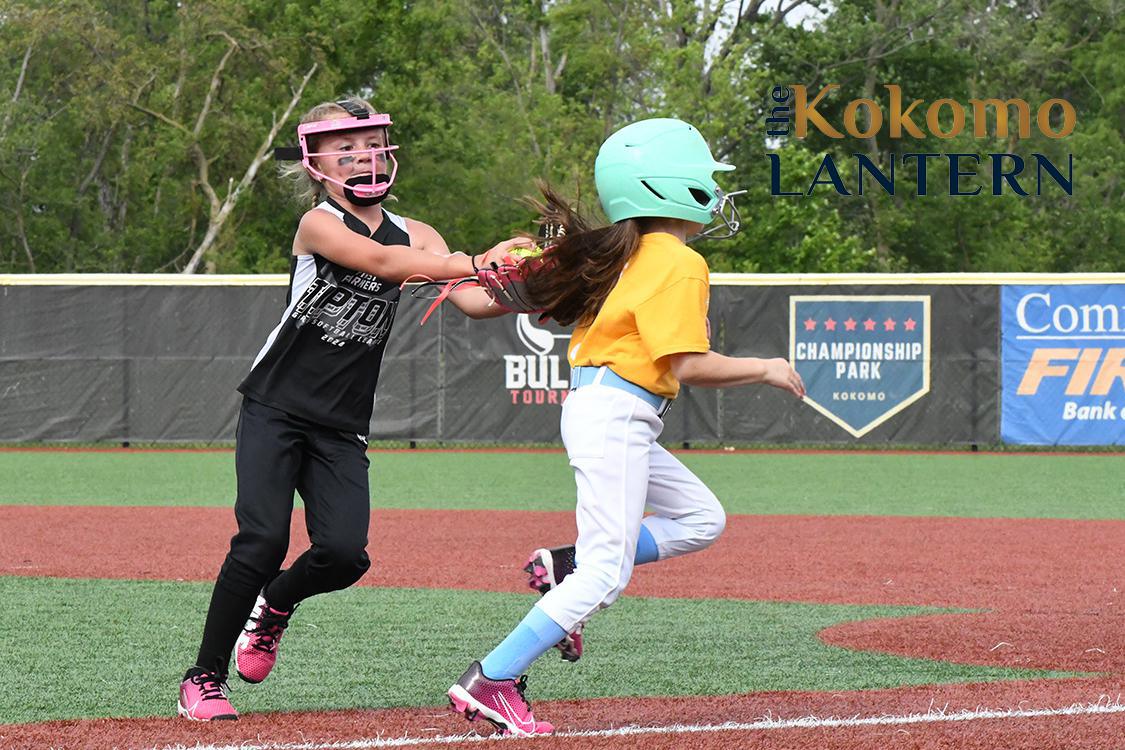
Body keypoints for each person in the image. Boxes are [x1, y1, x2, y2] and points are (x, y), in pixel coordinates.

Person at [446, 118, 806, 736]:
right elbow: (686, 364)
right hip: (615, 413)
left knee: (700, 519)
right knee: (606, 576)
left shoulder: (624, 251)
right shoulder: (678, 259)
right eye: (704, 178)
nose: (713, 192)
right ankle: (491, 681)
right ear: (671, 186)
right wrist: (766, 368)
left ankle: (566, 564)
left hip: (615, 413)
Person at [177, 97, 525, 722]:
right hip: (276, 406)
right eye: (346, 147)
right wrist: (479, 259)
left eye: (371, 142)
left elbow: (474, 302)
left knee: (344, 554)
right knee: (260, 540)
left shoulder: (419, 233)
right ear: (316, 163)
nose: (363, 154)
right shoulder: (320, 225)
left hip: (341, 423)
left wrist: (534, 284)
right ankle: (203, 678)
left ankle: (275, 607)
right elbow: (384, 263)